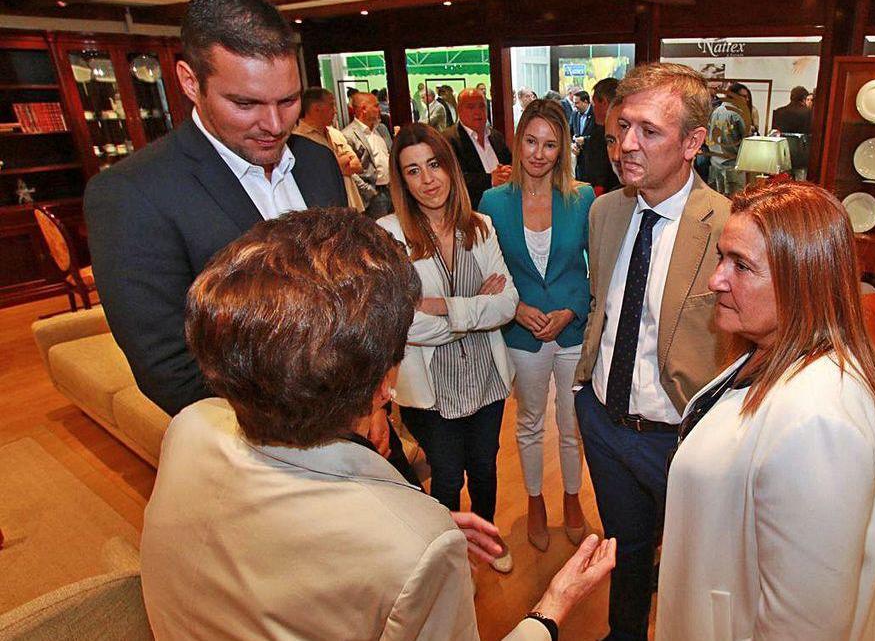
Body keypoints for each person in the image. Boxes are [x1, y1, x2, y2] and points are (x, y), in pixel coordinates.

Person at [141, 207, 617, 640]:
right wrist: (551, 611)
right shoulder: (412, 553)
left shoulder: (189, 426)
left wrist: (412, 528)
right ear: (381, 390)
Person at [84, 0, 345, 419]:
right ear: (191, 82)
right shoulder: (131, 193)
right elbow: (170, 370)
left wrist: (364, 397)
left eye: (288, 100)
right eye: (245, 103)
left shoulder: (317, 162)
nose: (275, 124)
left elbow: (345, 295)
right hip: (257, 443)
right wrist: (312, 427)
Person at [655, 181, 875, 640]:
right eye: (723, 257)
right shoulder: (771, 346)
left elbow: (805, 629)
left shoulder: (821, 424)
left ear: (803, 279)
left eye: (741, 265)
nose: (716, 279)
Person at [572, 62, 732, 641]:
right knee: (627, 551)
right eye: (621, 130)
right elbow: (604, 308)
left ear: (693, 142)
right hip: (604, 421)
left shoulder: (730, 229)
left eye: (649, 132)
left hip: (680, 439)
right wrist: (583, 396)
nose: (626, 147)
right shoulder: (604, 211)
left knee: (701, 569)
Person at [379, 123, 519, 573]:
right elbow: (399, 323)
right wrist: (475, 307)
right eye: (414, 171)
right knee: (445, 476)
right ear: (402, 181)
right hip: (430, 391)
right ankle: (447, 555)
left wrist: (442, 307)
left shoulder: (480, 227)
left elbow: (508, 303)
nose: (428, 179)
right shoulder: (388, 235)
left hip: (486, 378)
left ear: (451, 167)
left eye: (435, 164)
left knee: (484, 469)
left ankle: (488, 539)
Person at [478, 100, 595, 554]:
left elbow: (594, 270)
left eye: (550, 144)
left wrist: (570, 310)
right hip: (522, 330)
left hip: (569, 328)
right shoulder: (492, 202)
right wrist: (515, 307)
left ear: (562, 148)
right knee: (528, 422)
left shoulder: (582, 198)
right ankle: (534, 501)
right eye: (531, 141)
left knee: (571, 424)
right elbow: (492, 270)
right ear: (518, 140)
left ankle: (570, 498)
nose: (539, 153)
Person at [292, 86, 368, 211]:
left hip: (352, 204)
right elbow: (314, 174)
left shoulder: (335, 133)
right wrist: (337, 165)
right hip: (325, 208)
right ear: (316, 108)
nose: (335, 111)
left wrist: (333, 166)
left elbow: (356, 165)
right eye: (332, 105)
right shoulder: (297, 139)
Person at [443, 88, 513, 208]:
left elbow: (510, 162)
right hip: (472, 212)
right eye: (471, 107)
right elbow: (453, 178)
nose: (478, 112)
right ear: (459, 110)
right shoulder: (448, 140)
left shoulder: (495, 136)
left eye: (482, 106)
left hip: (505, 207)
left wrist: (509, 172)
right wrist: (490, 180)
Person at [342, 90, 394, 218]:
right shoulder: (348, 134)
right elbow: (348, 170)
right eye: (375, 106)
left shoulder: (382, 129)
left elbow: (390, 153)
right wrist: (369, 191)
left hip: (390, 189)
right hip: (372, 195)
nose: (379, 109)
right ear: (363, 109)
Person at [575, 77, 621, 193]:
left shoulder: (604, 133)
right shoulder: (599, 130)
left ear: (604, 102)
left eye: (594, 105)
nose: (593, 110)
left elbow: (600, 171)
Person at [707, 88, 748, 196]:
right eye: (744, 96)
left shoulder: (716, 111)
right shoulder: (736, 114)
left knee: (717, 200)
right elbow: (746, 140)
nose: (747, 99)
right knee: (735, 202)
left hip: (715, 163)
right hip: (733, 165)